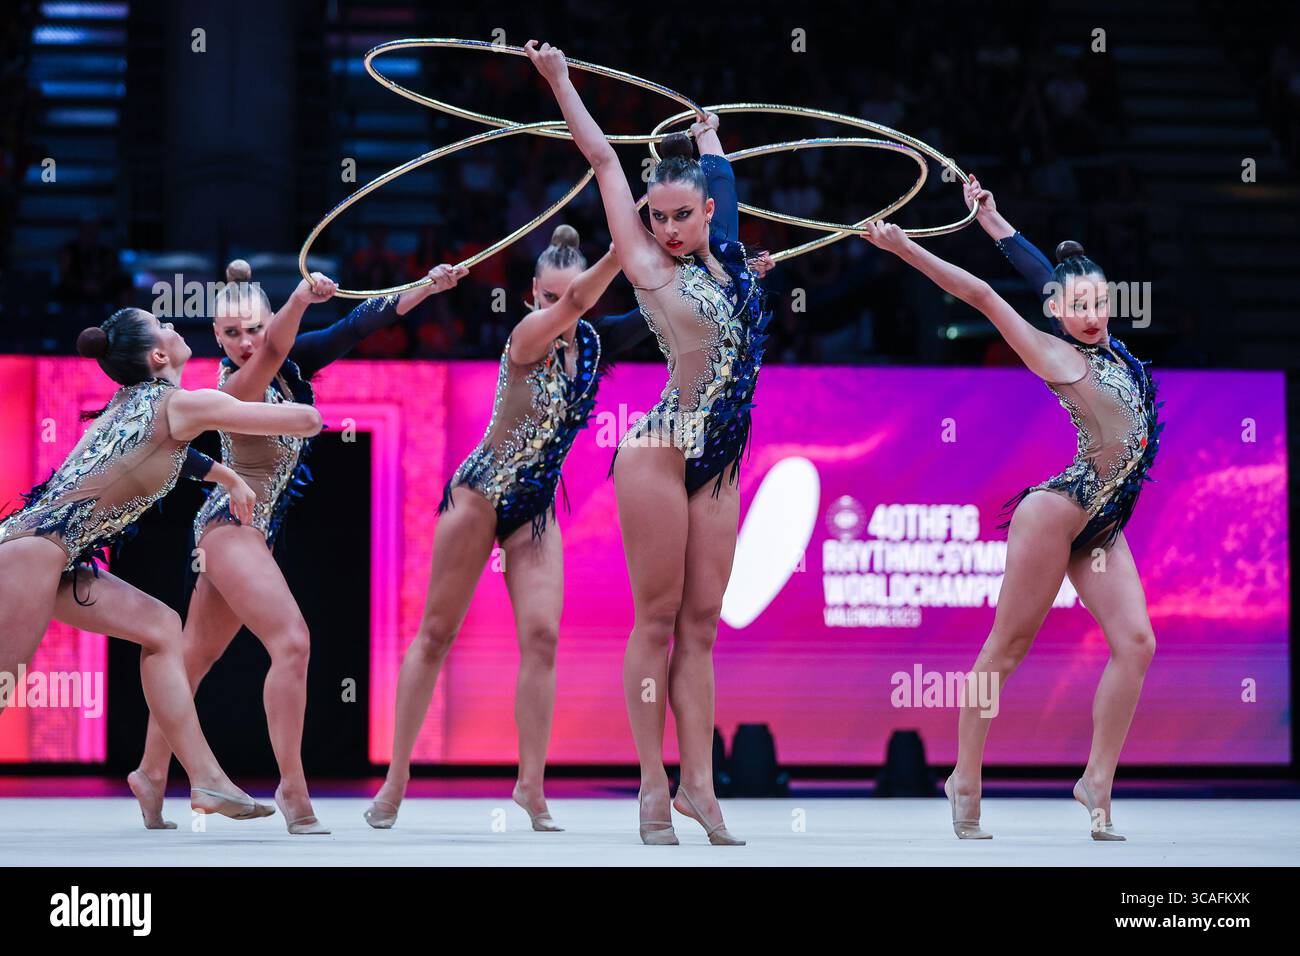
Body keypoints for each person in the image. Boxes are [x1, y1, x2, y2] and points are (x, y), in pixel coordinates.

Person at [527, 40, 773, 845]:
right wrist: (563, 81)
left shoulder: (732, 253)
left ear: (706, 213)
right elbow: (602, 158)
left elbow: (725, 179)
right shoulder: (646, 263)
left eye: (680, 215)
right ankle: (651, 785)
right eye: (655, 216)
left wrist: (708, 136)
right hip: (662, 446)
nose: (664, 228)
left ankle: (701, 785)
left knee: (703, 626)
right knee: (658, 620)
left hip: (723, 455)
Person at [131, 259, 466, 833]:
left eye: (251, 329)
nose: (244, 341)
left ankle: (150, 773)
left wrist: (422, 288)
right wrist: (300, 300)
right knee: (292, 641)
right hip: (227, 527)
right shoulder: (233, 385)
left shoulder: (292, 360)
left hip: (247, 531)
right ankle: (292, 786)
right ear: (215, 336)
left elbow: (359, 324)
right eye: (231, 332)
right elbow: (276, 347)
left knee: (192, 659)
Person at [860, 213, 1161, 841]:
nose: (1092, 315)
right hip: (1055, 514)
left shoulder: (1111, 351)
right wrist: (905, 244)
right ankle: (964, 777)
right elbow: (982, 293)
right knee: (1006, 650)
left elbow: (1045, 274)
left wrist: (996, 224)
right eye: (1078, 306)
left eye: (1100, 304)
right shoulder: (1054, 352)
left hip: (1103, 522)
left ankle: (1096, 782)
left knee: (1136, 643)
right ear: (1056, 312)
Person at [0, 301, 325, 822]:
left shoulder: (132, 402)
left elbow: (173, 454)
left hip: (51, 558)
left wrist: (225, 475)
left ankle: (205, 780)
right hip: (31, 555)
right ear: (157, 354)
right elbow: (306, 420)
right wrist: (285, 378)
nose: (174, 326)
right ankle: (201, 778)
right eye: (163, 327)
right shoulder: (181, 403)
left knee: (161, 626)